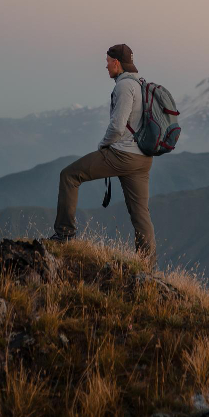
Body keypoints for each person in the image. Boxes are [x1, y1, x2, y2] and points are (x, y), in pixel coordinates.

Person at [47, 44, 156, 266]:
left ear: (116, 62)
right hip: (143, 159)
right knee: (140, 213)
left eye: (107, 61)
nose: (106, 66)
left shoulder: (124, 86)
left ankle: (64, 234)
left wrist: (103, 145)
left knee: (69, 176)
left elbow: (117, 127)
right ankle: (147, 266)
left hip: (123, 155)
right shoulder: (141, 84)